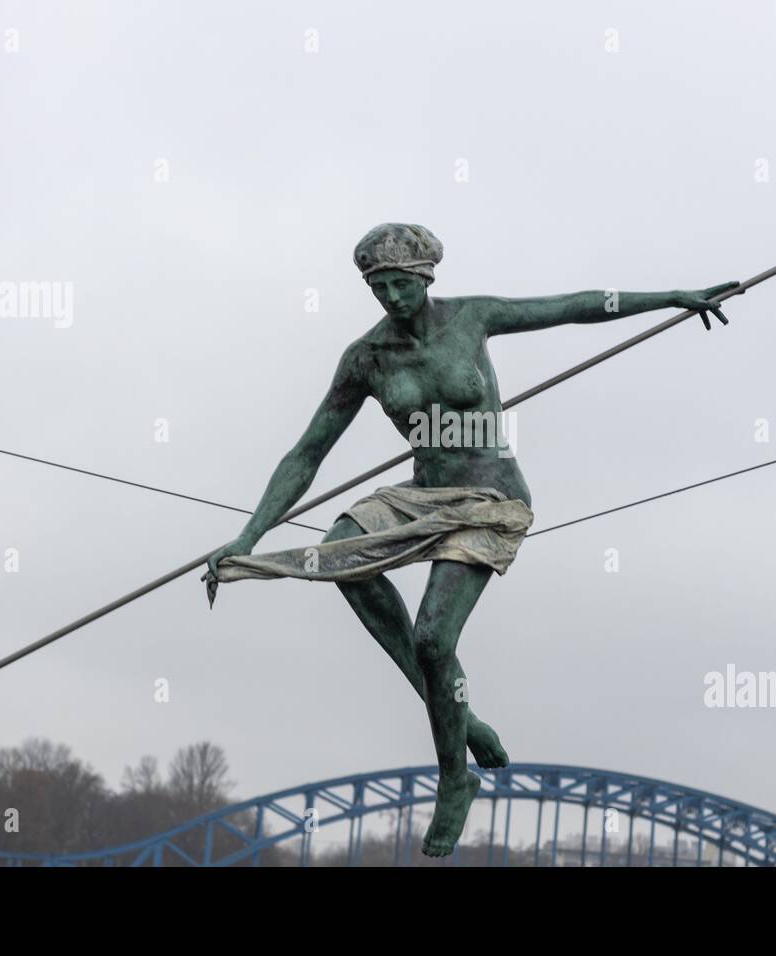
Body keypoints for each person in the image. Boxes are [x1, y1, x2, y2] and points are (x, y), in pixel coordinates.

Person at [205, 223, 738, 856]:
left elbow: (574, 307)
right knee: (338, 552)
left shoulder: (472, 319)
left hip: (490, 498)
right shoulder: (367, 359)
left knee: (434, 637)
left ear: (425, 279)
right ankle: (462, 718)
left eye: (401, 285)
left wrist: (674, 297)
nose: (391, 299)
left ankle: (454, 779)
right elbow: (308, 452)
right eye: (379, 288)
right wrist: (248, 534)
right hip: (420, 492)